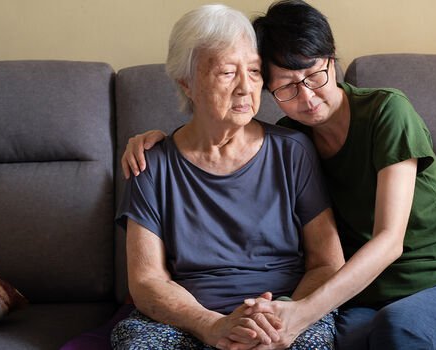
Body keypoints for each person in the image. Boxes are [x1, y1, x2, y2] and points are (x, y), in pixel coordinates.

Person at [122, 1, 436, 349]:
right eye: (288, 86)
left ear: (332, 61)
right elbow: (148, 277)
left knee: (399, 330)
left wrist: (299, 314)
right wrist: (155, 145)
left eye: (315, 75)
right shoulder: (296, 138)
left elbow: (388, 241)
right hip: (365, 298)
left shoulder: (383, 114)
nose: (307, 97)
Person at [111, 4, 345, 350]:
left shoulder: (292, 150)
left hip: (285, 310)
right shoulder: (151, 164)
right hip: (189, 317)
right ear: (187, 83)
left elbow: (328, 263)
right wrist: (211, 325)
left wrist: (281, 315)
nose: (245, 88)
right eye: (226, 73)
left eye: (253, 71)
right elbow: (146, 281)